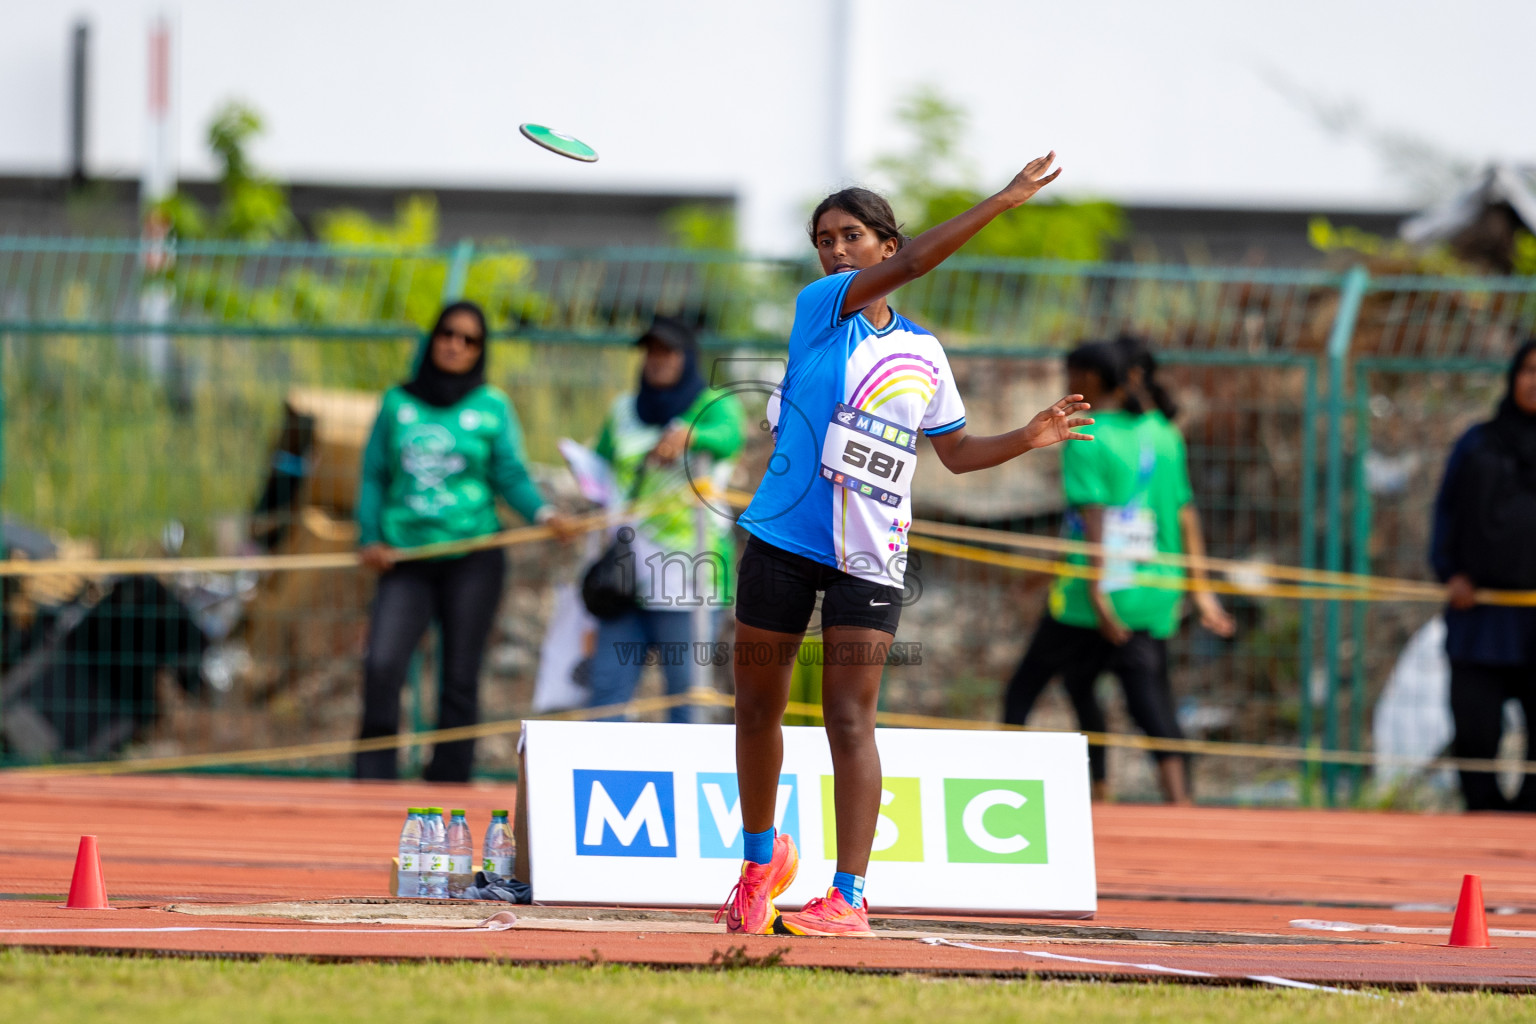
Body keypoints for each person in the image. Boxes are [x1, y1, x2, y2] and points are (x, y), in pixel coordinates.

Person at [719, 153, 1094, 937]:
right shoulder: (821, 307)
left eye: (852, 236)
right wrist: (1003, 200)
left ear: (884, 245)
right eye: (824, 239)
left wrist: (1026, 438)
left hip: (871, 557)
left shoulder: (923, 353)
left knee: (849, 720)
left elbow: (953, 454)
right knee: (756, 707)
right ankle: (761, 863)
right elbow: (926, 258)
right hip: (784, 537)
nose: (835, 251)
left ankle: (848, 896)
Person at [1001, 337, 1234, 805]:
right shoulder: (1165, 434)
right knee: (1147, 704)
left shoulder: (1086, 435)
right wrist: (1202, 592)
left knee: (1023, 693)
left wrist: (1101, 593)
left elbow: (1095, 520)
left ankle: (1004, 790)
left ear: (1091, 378)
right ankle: (1177, 804)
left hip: (1094, 597)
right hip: (1153, 590)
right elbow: (1186, 516)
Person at [353, 300, 573, 782]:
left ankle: (448, 780)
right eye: (448, 334)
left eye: (469, 339)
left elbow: (509, 472)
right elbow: (373, 475)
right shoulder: (397, 403)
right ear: (433, 339)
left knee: (459, 676)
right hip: (406, 558)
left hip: (473, 557)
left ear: (480, 350)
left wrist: (543, 511)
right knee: (383, 663)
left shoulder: (491, 405)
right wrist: (369, 537)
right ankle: (371, 781)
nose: (456, 344)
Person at [584, 315, 746, 722]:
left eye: (668, 351)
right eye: (651, 352)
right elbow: (600, 464)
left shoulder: (713, 405)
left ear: (688, 356)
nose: (658, 360)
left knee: (686, 698)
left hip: (688, 577)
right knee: (606, 692)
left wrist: (690, 434)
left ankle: (687, 785)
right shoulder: (623, 409)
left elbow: (731, 437)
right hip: (624, 576)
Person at [1430, 338, 1536, 812]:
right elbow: (1446, 514)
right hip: (1481, 617)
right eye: (1528, 370)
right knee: (1476, 732)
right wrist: (1451, 574)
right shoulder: (1478, 442)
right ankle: (1481, 822)